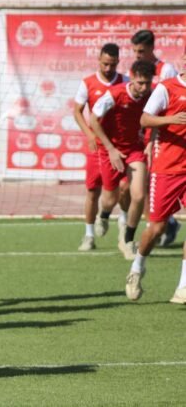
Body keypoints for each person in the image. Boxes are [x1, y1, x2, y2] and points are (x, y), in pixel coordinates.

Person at [125, 54, 186, 304]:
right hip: (166, 169)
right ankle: (137, 267)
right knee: (157, 228)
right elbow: (144, 119)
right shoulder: (167, 88)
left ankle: (183, 286)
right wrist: (170, 119)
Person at [90, 60, 156, 260]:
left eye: (147, 83)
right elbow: (93, 120)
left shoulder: (152, 95)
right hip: (110, 150)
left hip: (134, 149)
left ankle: (127, 240)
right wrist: (110, 149)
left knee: (139, 195)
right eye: (140, 83)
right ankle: (104, 214)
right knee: (110, 199)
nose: (144, 87)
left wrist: (150, 142)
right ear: (132, 78)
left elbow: (155, 120)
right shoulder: (114, 94)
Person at [72, 43, 126, 251]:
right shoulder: (88, 83)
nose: (108, 68)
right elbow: (77, 111)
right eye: (105, 64)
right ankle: (88, 235)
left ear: (118, 62)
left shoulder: (125, 82)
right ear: (99, 60)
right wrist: (89, 134)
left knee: (125, 187)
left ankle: (124, 226)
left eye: (112, 64)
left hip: (120, 146)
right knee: (92, 190)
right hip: (97, 146)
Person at [131, 29, 181, 246]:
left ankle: (162, 224)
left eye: (141, 51)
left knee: (151, 183)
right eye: (135, 51)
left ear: (152, 48)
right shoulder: (136, 69)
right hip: (144, 130)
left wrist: (152, 142)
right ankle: (161, 224)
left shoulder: (166, 70)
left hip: (160, 137)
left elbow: (168, 109)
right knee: (142, 186)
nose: (137, 55)